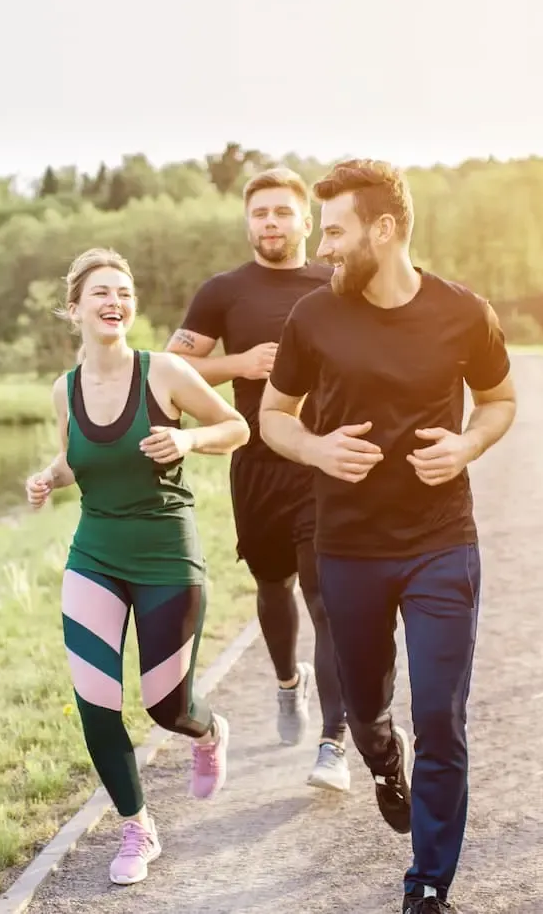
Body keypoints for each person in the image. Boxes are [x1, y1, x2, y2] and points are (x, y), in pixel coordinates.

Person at [259, 158, 517, 914]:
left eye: (335, 231)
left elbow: (500, 400)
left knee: (441, 714)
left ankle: (428, 883)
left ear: (385, 228)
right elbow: (274, 415)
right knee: (371, 707)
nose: (324, 247)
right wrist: (315, 447)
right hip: (348, 547)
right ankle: (379, 755)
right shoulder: (312, 317)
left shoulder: (465, 313)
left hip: (442, 541)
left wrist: (468, 445)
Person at [25, 247, 251, 886]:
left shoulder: (167, 372)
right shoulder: (63, 390)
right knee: (96, 701)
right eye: (99, 292)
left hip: (166, 558)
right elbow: (79, 458)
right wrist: (49, 476)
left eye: (122, 291)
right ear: (74, 309)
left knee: (164, 704)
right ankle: (137, 827)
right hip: (94, 554)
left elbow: (236, 427)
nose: (113, 302)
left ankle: (208, 732)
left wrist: (187, 439)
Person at [167, 166, 350, 791]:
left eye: (281, 212)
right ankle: (286, 683)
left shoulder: (336, 279)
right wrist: (238, 363)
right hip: (256, 465)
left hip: (321, 462)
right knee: (274, 587)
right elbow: (172, 368)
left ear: (305, 221)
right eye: (259, 213)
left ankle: (335, 744)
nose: (270, 223)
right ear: (249, 223)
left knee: (327, 599)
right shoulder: (223, 291)